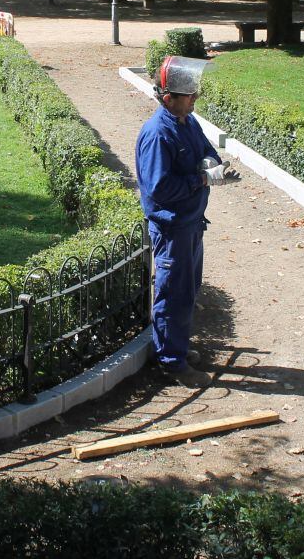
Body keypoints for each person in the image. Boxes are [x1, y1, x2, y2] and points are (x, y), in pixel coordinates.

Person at [135, 57, 240, 389]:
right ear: (168, 98)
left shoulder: (186, 121)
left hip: (192, 223)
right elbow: (159, 188)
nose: (195, 98)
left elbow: (208, 150)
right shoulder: (156, 134)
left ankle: (174, 346)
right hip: (172, 228)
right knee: (173, 293)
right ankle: (171, 362)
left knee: (187, 290)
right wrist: (202, 180)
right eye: (189, 94)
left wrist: (213, 165)